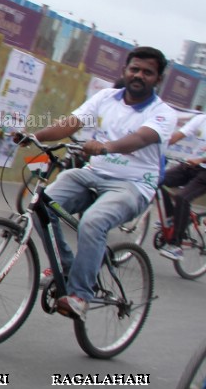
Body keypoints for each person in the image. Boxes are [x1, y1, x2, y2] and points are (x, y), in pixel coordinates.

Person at [13, 47, 175, 319]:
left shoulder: (163, 113)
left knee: (93, 221)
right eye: (134, 69)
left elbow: (141, 138)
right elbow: (69, 124)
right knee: (41, 206)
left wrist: (105, 147)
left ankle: (80, 295)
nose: (139, 75)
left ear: (158, 80)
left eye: (148, 72)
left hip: (133, 185)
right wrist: (32, 136)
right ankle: (66, 265)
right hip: (93, 174)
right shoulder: (105, 98)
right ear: (125, 70)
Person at [159, 110, 206, 259]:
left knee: (183, 198)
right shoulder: (201, 119)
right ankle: (172, 218)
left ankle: (176, 244)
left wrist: (201, 160)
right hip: (191, 165)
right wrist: (158, 144)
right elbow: (178, 135)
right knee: (157, 180)